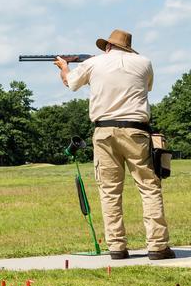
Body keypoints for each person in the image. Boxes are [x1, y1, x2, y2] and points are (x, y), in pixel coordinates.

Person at [54, 28, 174, 260]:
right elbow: (145, 87)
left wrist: (64, 67)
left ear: (108, 46)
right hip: (136, 130)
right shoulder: (145, 62)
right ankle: (158, 246)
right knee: (149, 187)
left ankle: (117, 247)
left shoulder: (94, 64)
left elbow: (70, 83)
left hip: (104, 131)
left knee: (109, 191)